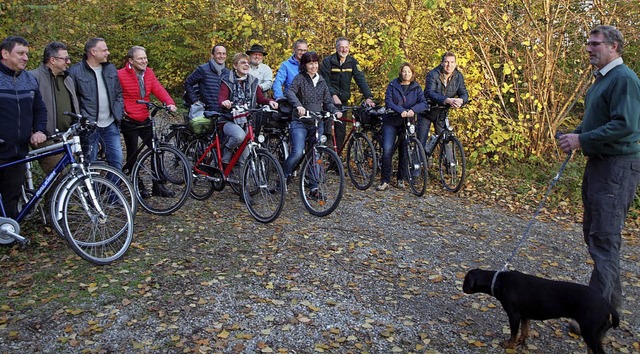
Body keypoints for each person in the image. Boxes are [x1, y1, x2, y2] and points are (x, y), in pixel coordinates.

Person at [559, 25, 640, 318]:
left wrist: (583, 139)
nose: (589, 49)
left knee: (604, 239)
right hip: (600, 165)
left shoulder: (624, 79)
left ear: (613, 46)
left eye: (595, 44)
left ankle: (599, 316)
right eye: (588, 43)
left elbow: (625, 125)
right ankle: (607, 309)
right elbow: (598, 122)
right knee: (596, 235)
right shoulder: (602, 80)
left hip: (616, 167)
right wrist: (575, 136)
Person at [117, 45, 177, 198]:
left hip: (144, 117)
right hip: (128, 119)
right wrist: (121, 110)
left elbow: (158, 89)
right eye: (140, 58)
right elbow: (115, 96)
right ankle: (138, 184)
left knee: (155, 149)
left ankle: (158, 186)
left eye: (145, 58)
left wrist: (169, 103)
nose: (144, 61)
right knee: (133, 153)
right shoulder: (120, 75)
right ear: (131, 60)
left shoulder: (148, 73)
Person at [283, 51, 342, 200]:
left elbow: (328, 101)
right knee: (297, 152)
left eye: (315, 63)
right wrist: (298, 106)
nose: (313, 66)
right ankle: (283, 176)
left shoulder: (321, 81)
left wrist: (335, 111)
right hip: (300, 122)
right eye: (310, 63)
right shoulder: (300, 79)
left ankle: (313, 188)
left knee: (315, 154)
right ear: (305, 65)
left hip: (317, 122)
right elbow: (290, 93)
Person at [0, 36, 47, 219]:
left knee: (11, 196)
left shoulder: (29, 80)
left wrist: (39, 130)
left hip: (19, 150)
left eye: (26, 54)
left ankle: (7, 234)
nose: (25, 58)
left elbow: (39, 109)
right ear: (4, 53)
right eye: (20, 53)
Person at [68, 37, 124, 170]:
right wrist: (82, 119)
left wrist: (118, 111)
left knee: (117, 161)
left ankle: (112, 190)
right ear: (93, 52)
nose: (108, 53)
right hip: (89, 126)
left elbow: (118, 93)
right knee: (89, 164)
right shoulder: (75, 71)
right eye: (104, 50)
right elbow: (72, 99)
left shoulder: (110, 68)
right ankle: (92, 191)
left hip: (110, 124)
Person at [218, 53, 278, 166]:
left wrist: (270, 101)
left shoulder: (253, 81)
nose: (246, 65)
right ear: (235, 66)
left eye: (247, 63)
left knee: (245, 155)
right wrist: (224, 102)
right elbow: (222, 97)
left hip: (247, 120)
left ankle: (241, 179)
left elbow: (260, 98)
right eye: (243, 62)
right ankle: (227, 151)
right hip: (229, 119)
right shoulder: (227, 80)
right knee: (239, 136)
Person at [29, 41, 80, 173]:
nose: (68, 62)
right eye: (65, 58)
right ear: (52, 60)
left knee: (72, 177)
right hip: (45, 137)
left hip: (66, 136)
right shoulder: (34, 77)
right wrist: (36, 131)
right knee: (58, 179)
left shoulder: (67, 79)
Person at [376, 62, 428, 191]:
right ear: (401, 73)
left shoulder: (416, 87)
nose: (406, 74)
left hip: (407, 122)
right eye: (404, 71)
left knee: (404, 151)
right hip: (391, 121)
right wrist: (400, 110)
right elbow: (388, 102)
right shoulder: (393, 85)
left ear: (412, 73)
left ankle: (401, 179)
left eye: (409, 72)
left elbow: (423, 103)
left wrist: (412, 110)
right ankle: (385, 180)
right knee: (387, 149)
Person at [320, 37, 375, 152]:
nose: (344, 50)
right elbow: (324, 82)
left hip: (343, 102)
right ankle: (324, 154)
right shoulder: (327, 61)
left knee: (341, 132)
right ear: (336, 48)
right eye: (341, 47)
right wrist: (333, 96)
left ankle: (337, 163)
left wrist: (368, 97)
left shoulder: (352, 62)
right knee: (327, 131)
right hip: (328, 101)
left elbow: (361, 79)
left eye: (346, 47)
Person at [419, 51, 468, 149]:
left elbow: (464, 92)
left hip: (442, 112)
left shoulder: (458, 76)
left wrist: (461, 100)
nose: (449, 65)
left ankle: (448, 162)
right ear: (442, 63)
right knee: (421, 142)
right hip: (426, 111)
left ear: (455, 63)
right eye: (446, 62)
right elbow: (430, 93)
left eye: (452, 62)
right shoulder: (432, 75)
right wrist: (446, 100)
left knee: (444, 140)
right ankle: (419, 161)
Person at [184, 44, 229, 113]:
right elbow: (188, 83)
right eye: (218, 53)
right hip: (206, 112)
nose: (222, 56)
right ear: (212, 55)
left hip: (223, 113)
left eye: (224, 54)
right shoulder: (203, 69)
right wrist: (195, 101)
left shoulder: (228, 73)